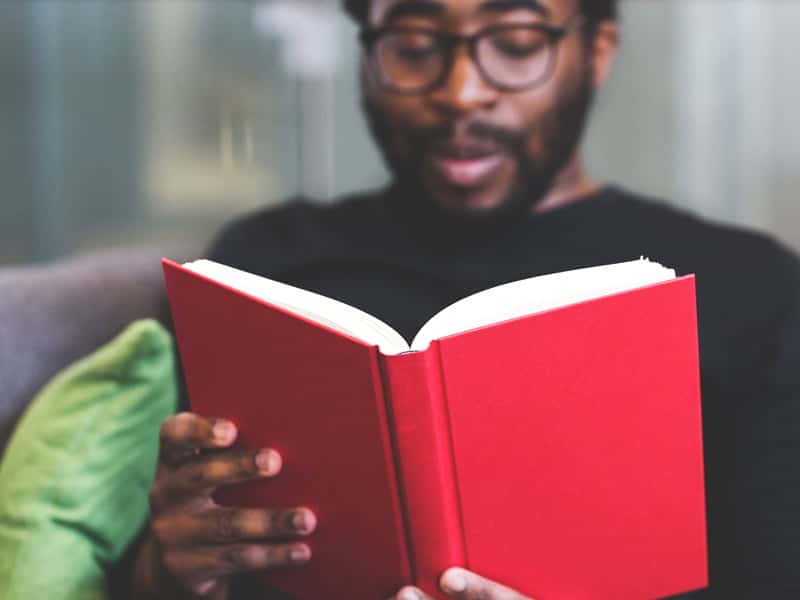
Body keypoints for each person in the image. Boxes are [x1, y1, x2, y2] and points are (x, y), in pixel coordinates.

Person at [131, 0, 800, 598]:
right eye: (415, 45)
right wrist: (175, 574)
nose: (461, 92)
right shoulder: (259, 269)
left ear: (596, 51)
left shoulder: (749, 286)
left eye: (515, 42)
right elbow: (176, 555)